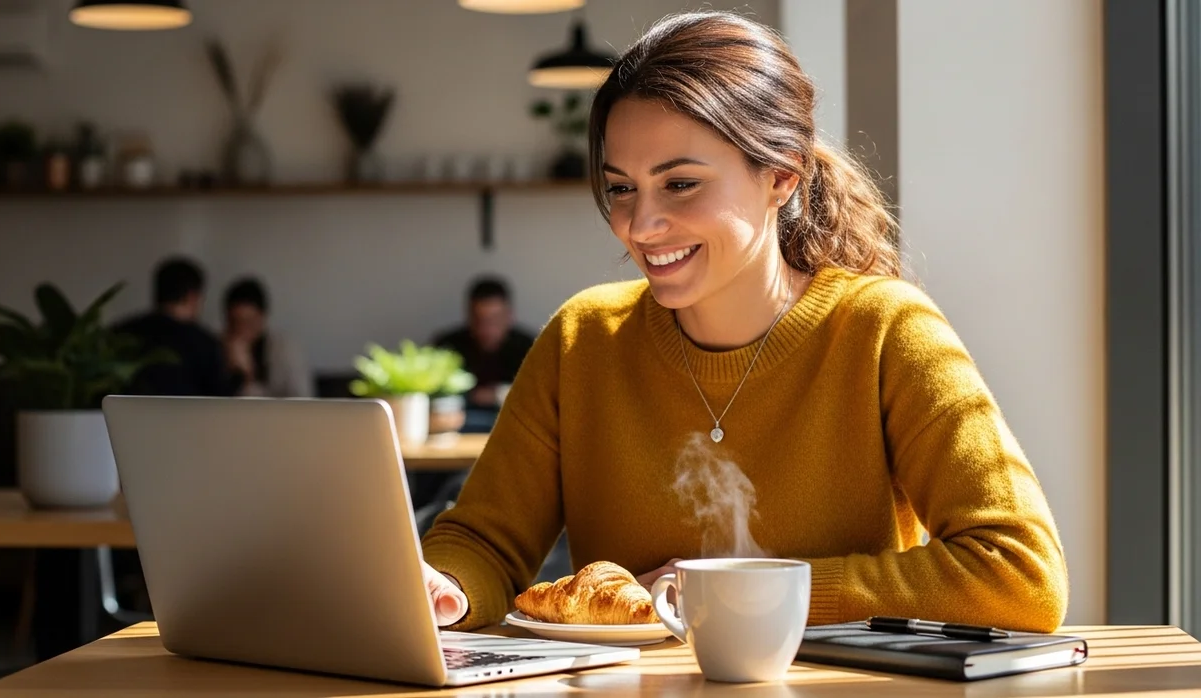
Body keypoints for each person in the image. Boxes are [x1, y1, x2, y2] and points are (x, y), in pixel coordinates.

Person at [418, 11, 1068, 634]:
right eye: (621, 188)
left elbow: (1019, 573)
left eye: (679, 185)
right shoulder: (582, 339)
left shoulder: (884, 331)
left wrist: (739, 591)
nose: (639, 227)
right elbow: (482, 540)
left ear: (781, 175)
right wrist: (442, 587)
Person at [115, 256, 236, 397]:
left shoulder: (122, 333)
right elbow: (218, 400)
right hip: (187, 418)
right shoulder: (204, 343)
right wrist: (239, 374)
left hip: (130, 417)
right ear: (193, 296)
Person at [432, 276, 536, 410]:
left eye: (495, 319)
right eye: (479, 320)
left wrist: (498, 394)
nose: (487, 328)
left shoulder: (531, 348)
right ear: (468, 315)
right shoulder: (448, 347)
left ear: (509, 316)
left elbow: (542, 394)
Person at [222, 277, 313, 398]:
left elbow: (303, 399)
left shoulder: (285, 349)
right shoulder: (215, 347)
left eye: (249, 322)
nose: (241, 329)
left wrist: (248, 377)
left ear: (262, 317)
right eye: (234, 322)